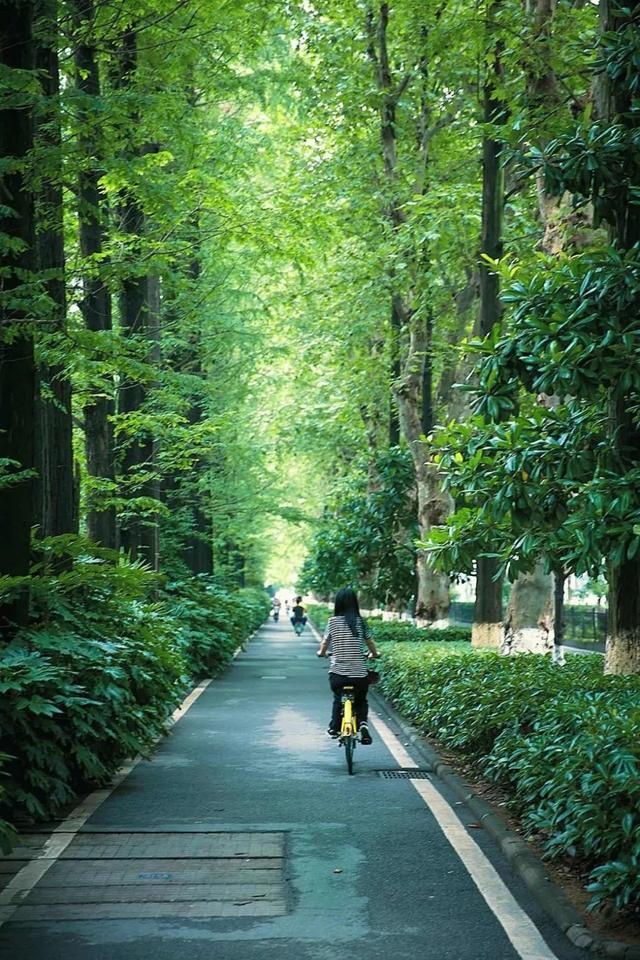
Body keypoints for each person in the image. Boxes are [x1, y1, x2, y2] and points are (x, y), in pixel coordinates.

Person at [316, 587, 379, 745]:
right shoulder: (360, 622)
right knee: (361, 701)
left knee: (338, 699)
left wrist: (321, 653)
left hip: (338, 674)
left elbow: (325, 642)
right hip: (359, 675)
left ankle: (335, 727)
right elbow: (369, 642)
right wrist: (374, 654)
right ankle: (363, 724)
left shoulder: (332, 622)